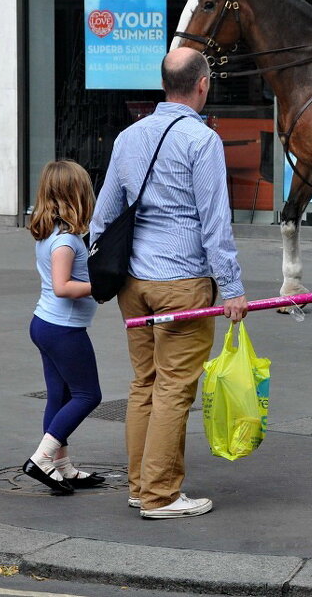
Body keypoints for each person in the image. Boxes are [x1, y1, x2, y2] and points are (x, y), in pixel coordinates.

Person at [90, 47, 248, 520]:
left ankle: (141, 486)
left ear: (165, 84)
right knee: (175, 389)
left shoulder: (129, 137)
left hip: (134, 284)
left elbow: (103, 218)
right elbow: (214, 224)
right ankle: (160, 496)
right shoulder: (202, 142)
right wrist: (233, 289)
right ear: (202, 85)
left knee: (145, 383)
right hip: (183, 282)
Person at [22, 160, 104, 496]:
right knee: (88, 395)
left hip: (46, 324)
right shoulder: (66, 241)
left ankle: (61, 466)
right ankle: (42, 459)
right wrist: (99, 285)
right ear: (78, 195)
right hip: (63, 329)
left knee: (60, 396)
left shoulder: (50, 233)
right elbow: (62, 286)